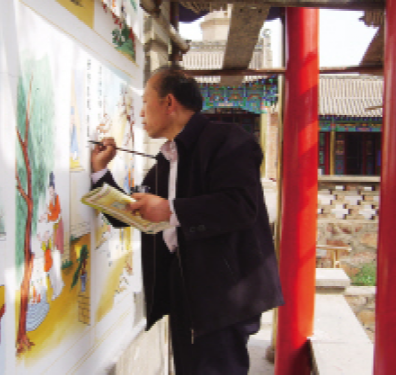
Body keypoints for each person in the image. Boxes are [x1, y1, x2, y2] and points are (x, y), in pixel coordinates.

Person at [90, 66, 283, 374]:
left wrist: (169, 209)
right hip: (185, 288)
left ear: (169, 103)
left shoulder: (229, 140)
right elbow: (134, 212)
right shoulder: (168, 157)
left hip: (223, 293)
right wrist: (101, 173)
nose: (141, 113)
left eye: (145, 103)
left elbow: (241, 206)